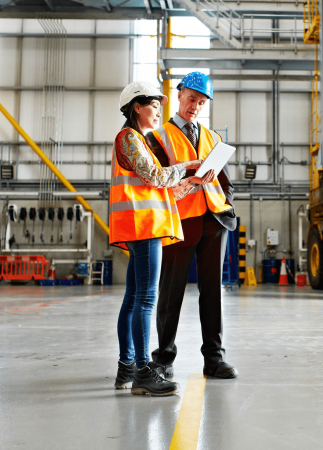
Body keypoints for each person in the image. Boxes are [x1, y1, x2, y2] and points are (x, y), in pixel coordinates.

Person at [110, 81, 214, 396]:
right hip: (143, 226)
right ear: (136, 107)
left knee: (132, 299)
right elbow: (157, 177)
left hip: (143, 224)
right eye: (154, 105)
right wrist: (187, 166)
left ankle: (127, 367)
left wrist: (193, 181)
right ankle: (142, 370)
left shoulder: (136, 141)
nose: (158, 111)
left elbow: (159, 188)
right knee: (144, 299)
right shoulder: (129, 138)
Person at [147, 72, 238, 379]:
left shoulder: (214, 138)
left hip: (214, 220)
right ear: (179, 95)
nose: (195, 106)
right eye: (191, 99)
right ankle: (163, 359)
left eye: (201, 102)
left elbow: (225, 181)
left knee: (213, 292)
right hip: (179, 221)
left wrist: (228, 205)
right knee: (171, 292)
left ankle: (214, 358)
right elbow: (155, 181)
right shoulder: (158, 137)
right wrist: (188, 178)